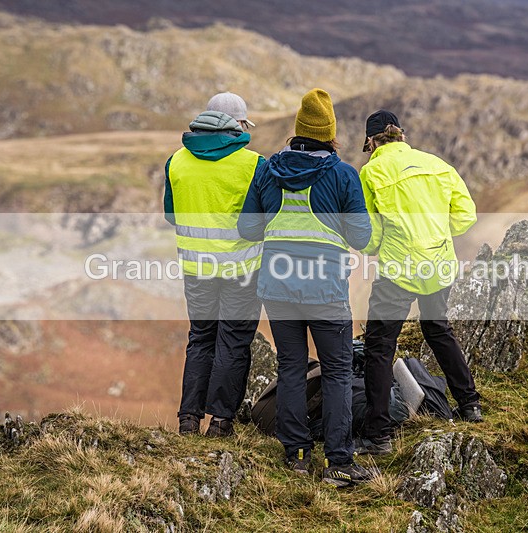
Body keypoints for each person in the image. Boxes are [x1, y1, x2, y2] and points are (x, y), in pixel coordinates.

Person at [238, 88, 374, 486]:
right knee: (336, 372)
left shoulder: (267, 170)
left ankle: (296, 454)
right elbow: (363, 238)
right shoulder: (343, 175)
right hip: (326, 292)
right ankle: (339, 463)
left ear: (298, 131)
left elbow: (248, 229)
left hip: (277, 288)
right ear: (330, 134)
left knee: (292, 368)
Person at [357, 110, 483, 456]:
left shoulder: (372, 172)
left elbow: (370, 235)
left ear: (371, 141)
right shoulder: (437, 164)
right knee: (438, 329)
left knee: (379, 348)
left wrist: (378, 246)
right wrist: (437, 234)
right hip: (439, 265)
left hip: (398, 270)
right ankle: (470, 405)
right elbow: (465, 215)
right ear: (401, 135)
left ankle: (378, 436)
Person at [164, 92, 264, 438]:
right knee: (233, 341)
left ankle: (188, 418)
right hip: (242, 270)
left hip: (196, 269)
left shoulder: (176, 161)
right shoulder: (254, 164)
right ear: (238, 125)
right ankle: (221, 422)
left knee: (201, 337)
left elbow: (170, 214)